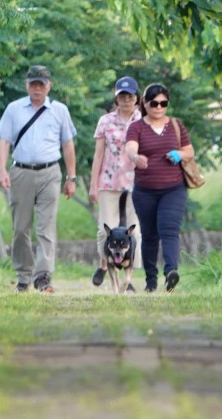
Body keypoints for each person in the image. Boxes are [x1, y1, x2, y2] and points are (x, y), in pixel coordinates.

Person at [0, 64, 78, 293]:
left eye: (41, 84)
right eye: (33, 84)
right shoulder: (14, 109)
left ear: (49, 86)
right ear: (27, 85)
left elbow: (68, 144)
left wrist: (72, 178)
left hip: (50, 172)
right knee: (20, 228)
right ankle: (23, 276)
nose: (37, 89)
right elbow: (4, 142)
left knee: (46, 227)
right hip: (21, 172)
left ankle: (43, 276)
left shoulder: (60, 110)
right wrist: (2, 170)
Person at [124, 82, 194, 293]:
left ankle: (171, 272)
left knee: (169, 230)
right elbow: (130, 147)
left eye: (163, 103)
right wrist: (136, 158)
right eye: (154, 103)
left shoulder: (175, 125)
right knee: (150, 234)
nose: (159, 107)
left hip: (173, 188)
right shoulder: (136, 127)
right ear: (145, 103)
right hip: (145, 190)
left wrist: (179, 154)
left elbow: (189, 150)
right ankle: (151, 280)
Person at [89, 75, 143, 289]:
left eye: (130, 96)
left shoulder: (143, 120)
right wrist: (94, 185)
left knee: (135, 231)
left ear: (136, 98)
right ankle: (105, 264)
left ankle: (129, 278)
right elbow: (98, 154)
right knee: (106, 230)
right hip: (109, 181)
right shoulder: (106, 121)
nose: (126, 100)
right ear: (116, 98)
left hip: (136, 182)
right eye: (122, 96)